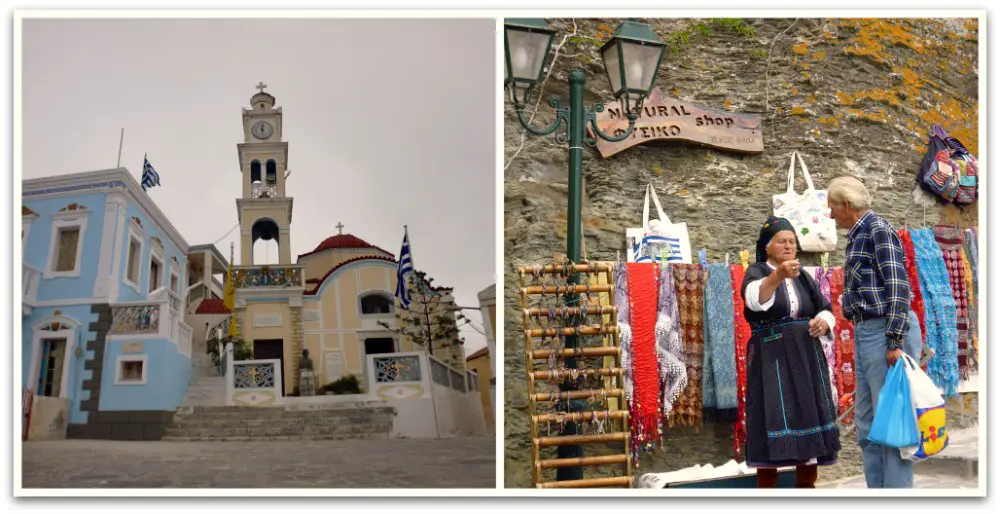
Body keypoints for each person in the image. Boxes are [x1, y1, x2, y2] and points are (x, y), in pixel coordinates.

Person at [828, 176, 922, 489]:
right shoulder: (858, 234)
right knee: (867, 424)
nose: (830, 216)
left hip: (884, 331)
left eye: (831, 208)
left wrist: (895, 341)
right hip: (867, 331)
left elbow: (898, 287)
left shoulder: (877, 229)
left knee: (891, 423)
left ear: (845, 205)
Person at [741, 216, 841, 488]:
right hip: (771, 358)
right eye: (781, 241)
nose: (788, 246)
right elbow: (755, 299)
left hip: (806, 358)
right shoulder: (757, 271)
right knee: (771, 414)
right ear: (768, 246)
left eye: (792, 241)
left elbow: (825, 307)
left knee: (807, 414)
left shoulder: (804, 276)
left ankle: (806, 488)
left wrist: (823, 321)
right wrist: (778, 275)